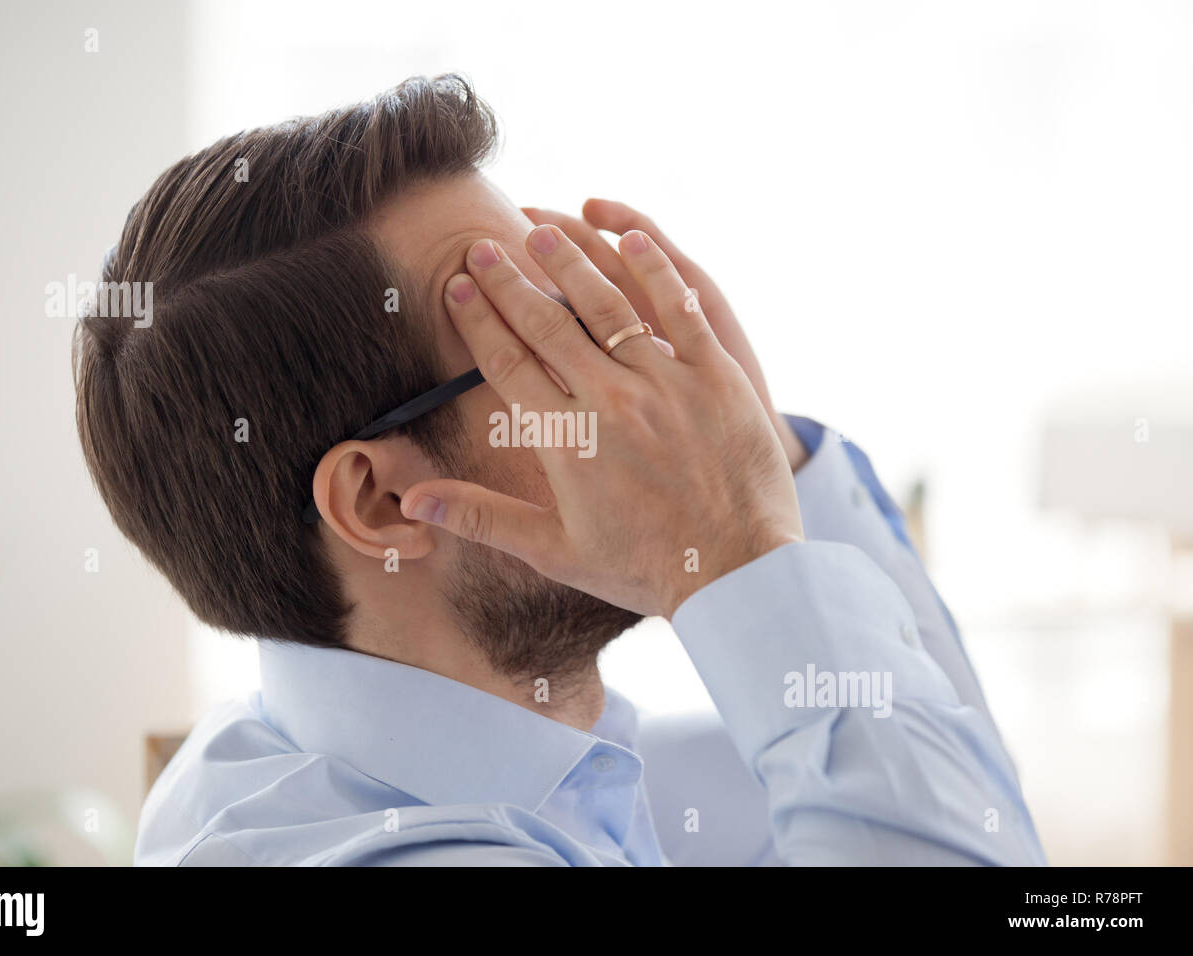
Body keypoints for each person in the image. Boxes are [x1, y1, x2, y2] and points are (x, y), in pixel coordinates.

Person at [74, 74, 1044, 865]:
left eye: (582, 292)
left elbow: (965, 812)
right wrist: (737, 547)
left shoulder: (487, 758)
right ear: (381, 502)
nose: (644, 371)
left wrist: (761, 465)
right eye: (545, 338)